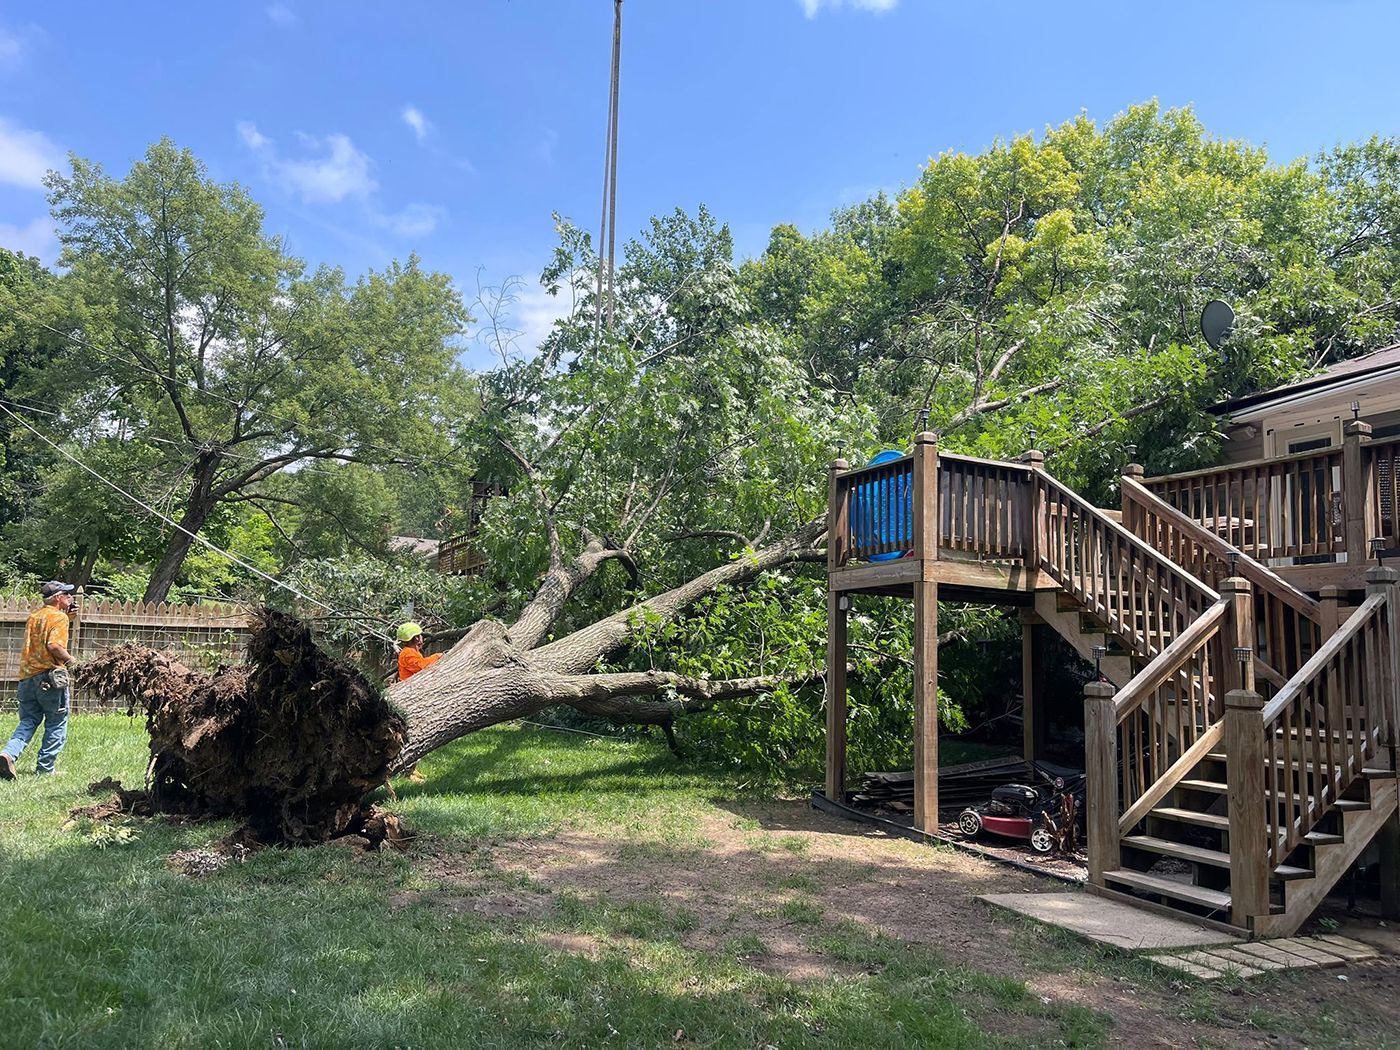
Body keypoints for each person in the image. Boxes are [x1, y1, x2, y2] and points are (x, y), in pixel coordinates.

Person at [1, 581, 78, 779]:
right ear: (57, 598)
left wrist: (67, 617)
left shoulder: (35, 616)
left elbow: (42, 637)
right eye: (67, 595)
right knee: (56, 722)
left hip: (27, 678)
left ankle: (8, 754)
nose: (70, 598)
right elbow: (53, 646)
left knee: (28, 720)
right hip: (49, 678)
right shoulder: (59, 617)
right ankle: (45, 769)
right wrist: (71, 661)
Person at [395, 622, 441, 783]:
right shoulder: (407, 653)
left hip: (415, 693)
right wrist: (438, 657)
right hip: (409, 695)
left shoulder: (412, 652)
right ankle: (407, 771)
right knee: (413, 733)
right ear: (416, 638)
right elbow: (422, 667)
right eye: (420, 635)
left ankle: (412, 769)